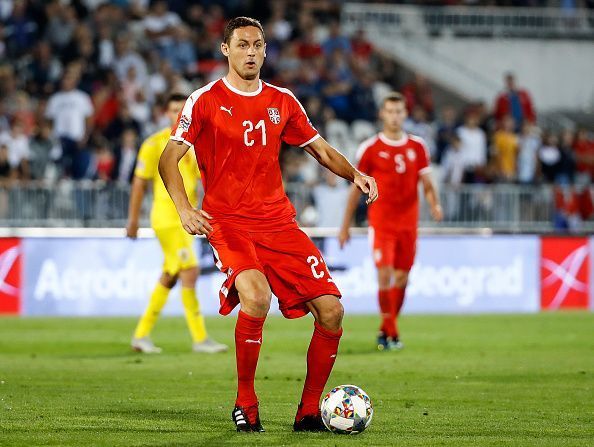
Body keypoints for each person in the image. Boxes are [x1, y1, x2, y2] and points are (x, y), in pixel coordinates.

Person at [158, 17, 378, 432]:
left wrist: (355, 174)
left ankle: (309, 411)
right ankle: (246, 401)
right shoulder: (204, 100)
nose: (251, 52)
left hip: (278, 221)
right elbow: (168, 158)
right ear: (226, 49)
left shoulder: (283, 100)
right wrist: (185, 209)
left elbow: (320, 149)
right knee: (256, 297)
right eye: (242, 45)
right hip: (228, 222)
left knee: (331, 311)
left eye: (258, 45)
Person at [339, 92, 442, 351]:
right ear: (382, 114)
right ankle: (392, 333)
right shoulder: (371, 148)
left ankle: (387, 330)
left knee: (402, 278)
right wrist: (345, 226)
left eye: (399, 112)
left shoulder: (417, 146)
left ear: (405, 114)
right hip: (382, 223)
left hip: (408, 224)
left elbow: (427, 183)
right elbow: (355, 188)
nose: (395, 116)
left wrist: (434, 203)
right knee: (384, 274)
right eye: (390, 111)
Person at [126, 93, 227, 355]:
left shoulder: (194, 143)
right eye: (173, 110)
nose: (177, 114)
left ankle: (141, 335)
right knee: (190, 271)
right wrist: (133, 219)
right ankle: (200, 338)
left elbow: (200, 183)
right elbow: (139, 183)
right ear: (165, 113)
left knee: (170, 276)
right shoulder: (154, 144)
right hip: (167, 219)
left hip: (185, 220)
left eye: (181, 110)